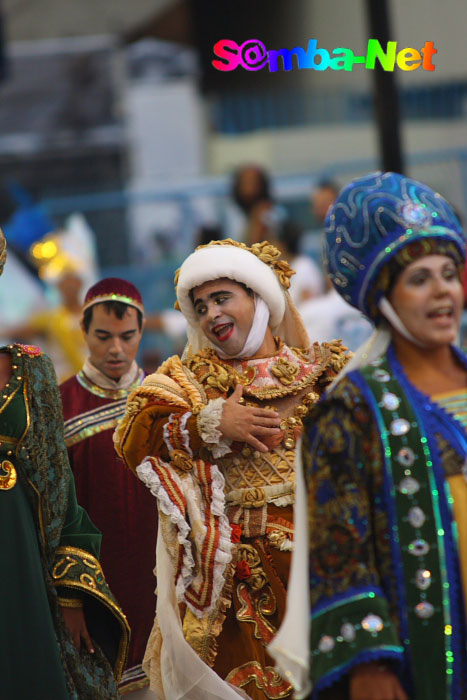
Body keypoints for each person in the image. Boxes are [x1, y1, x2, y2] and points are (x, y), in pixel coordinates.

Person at [114, 238, 348, 699]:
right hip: (238, 585)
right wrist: (209, 424)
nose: (211, 315)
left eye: (223, 298)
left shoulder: (327, 373)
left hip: (325, 567)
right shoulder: (190, 381)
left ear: (259, 299)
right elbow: (132, 440)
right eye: (200, 307)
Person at [302, 172, 467, 700]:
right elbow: (338, 549)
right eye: (420, 279)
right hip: (424, 656)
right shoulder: (350, 411)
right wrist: (367, 661)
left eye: (449, 273)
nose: (443, 290)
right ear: (383, 299)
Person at [0, 232, 129, 699]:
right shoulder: (45, 322)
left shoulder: (29, 369)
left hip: (21, 556)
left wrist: (71, 593)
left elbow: (57, 487)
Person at [60, 278, 158, 696]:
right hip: (97, 589)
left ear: (141, 333)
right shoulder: (59, 405)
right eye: (103, 337)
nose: (115, 349)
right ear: (83, 332)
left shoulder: (163, 395)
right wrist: (70, 600)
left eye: (127, 336)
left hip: (162, 585)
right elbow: (55, 511)